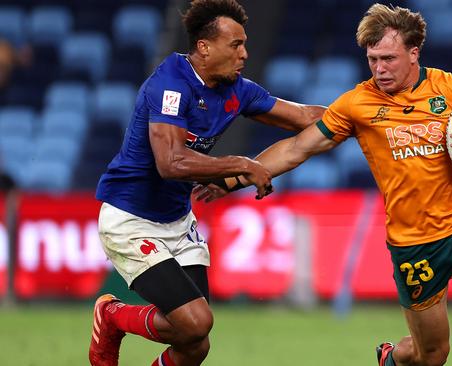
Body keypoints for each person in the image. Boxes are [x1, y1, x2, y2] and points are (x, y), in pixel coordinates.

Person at [223, 4, 452, 366]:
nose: (379, 69)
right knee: (431, 355)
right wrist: (234, 175)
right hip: (415, 245)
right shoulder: (357, 104)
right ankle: (393, 358)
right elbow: (298, 148)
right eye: (372, 59)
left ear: (414, 53)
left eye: (389, 58)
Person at [89, 1, 325, 365]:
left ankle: (119, 318)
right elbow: (170, 162)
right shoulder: (169, 85)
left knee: (195, 343)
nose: (244, 53)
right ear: (204, 47)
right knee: (196, 322)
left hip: (178, 222)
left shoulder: (238, 89)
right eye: (235, 45)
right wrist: (242, 165)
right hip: (131, 220)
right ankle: (113, 316)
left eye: (245, 44)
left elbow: (305, 117)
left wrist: (366, 113)